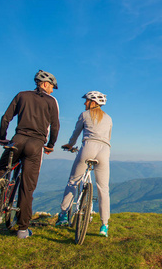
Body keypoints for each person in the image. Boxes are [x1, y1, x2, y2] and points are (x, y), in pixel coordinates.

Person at [0, 70, 60, 239]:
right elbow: (55, 126)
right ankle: (22, 229)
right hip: (36, 145)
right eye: (52, 86)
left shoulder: (21, 95)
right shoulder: (52, 102)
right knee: (27, 187)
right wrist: (50, 145)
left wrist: (2, 137)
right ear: (45, 84)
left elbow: (5, 118)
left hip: (18, 139)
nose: (52, 90)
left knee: (1, 168)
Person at [56, 91, 112, 237]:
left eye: (86, 101)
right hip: (105, 151)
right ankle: (104, 225)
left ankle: (63, 215)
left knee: (73, 181)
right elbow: (108, 137)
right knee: (103, 188)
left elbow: (75, 134)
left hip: (88, 147)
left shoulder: (84, 115)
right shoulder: (109, 118)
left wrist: (69, 145)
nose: (84, 103)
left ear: (93, 102)